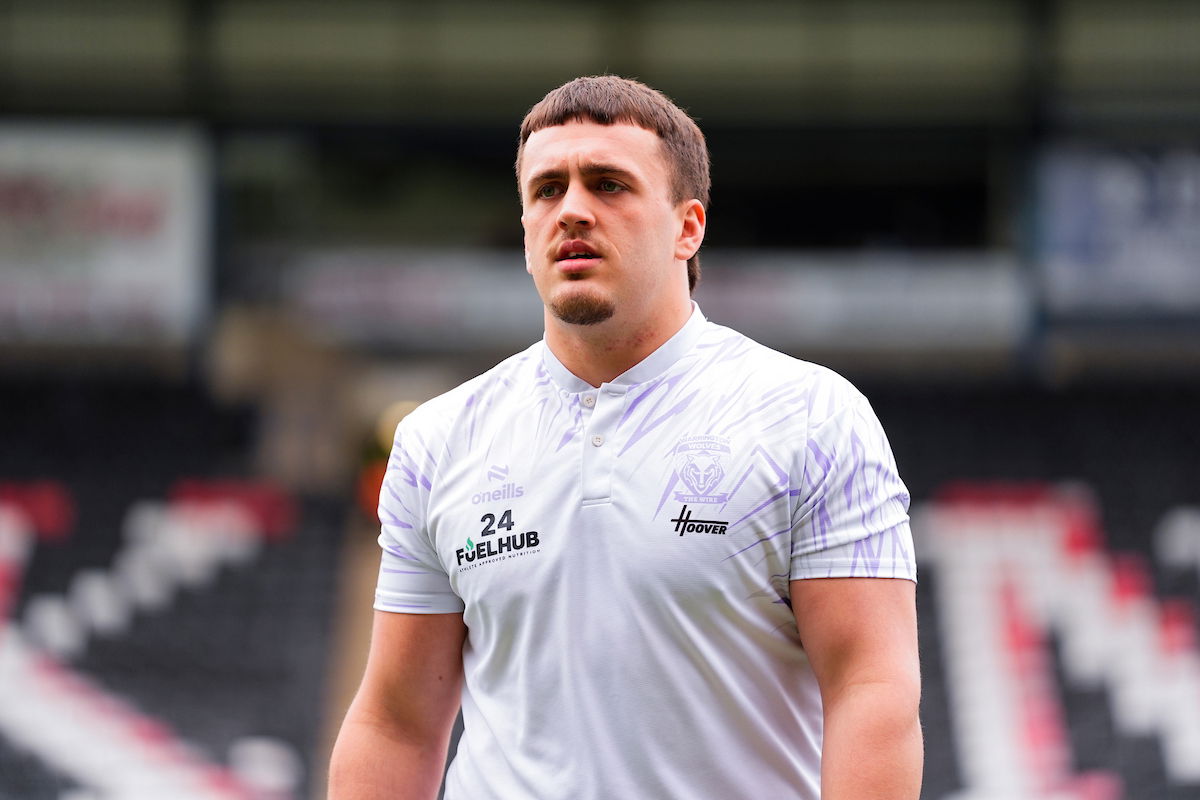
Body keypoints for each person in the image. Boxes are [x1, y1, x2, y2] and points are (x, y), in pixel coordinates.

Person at [329, 75, 921, 800]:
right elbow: (396, 723)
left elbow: (872, 691)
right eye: (547, 190)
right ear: (525, 232)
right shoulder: (437, 440)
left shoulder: (812, 419)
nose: (572, 210)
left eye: (608, 185)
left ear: (687, 228)